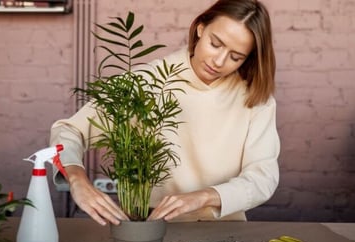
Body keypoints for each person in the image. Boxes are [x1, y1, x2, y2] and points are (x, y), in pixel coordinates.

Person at [50, 0, 279, 226]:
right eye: (215, 44)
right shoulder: (147, 82)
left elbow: (263, 177)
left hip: (226, 227)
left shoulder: (255, 98)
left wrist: (205, 196)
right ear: (200, 28)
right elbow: (69, 131)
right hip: (150, 228)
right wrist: (77, 179)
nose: (218, 61)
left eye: (235, 57)